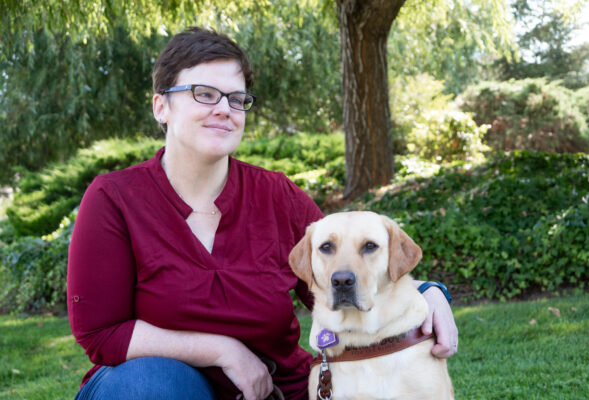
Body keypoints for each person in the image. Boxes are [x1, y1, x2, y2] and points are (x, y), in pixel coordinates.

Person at [67, 27, 458, 400]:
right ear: (161, 105)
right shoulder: (115, 197)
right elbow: (101, 333)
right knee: (149, 387)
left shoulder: (277, 196)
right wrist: (224, 351)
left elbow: (337, 273)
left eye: (236, 99)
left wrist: (429, 293)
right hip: (157, 388)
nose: (224, 109)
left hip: (274, 391)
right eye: (204, 93)